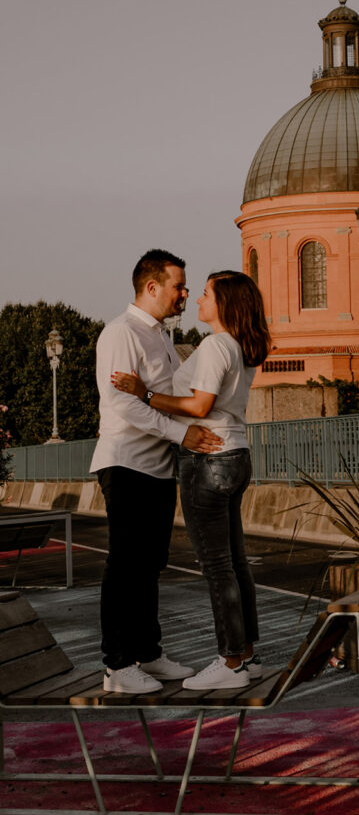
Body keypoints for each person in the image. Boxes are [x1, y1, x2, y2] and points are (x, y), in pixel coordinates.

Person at [112, 270, 271, 690]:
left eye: (204, 294)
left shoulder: (216, 344)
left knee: (218, 566)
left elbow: (199, 406)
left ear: (224, 304)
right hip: (235, 454)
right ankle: (247, 656)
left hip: (209, 460)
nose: (195, 299)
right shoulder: (237, 346)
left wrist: (143, 392)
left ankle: (230, 661)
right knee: (236, 563)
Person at [91, 249, 223, 695]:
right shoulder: (120, 333)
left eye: (187, 288)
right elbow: (122, 404)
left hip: (159, 467)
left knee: (150, 565)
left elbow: (165, 394)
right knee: (125, 563)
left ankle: (147, 653)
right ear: (152, 287)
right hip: (126, 461)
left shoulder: (162, 337)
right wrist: (181, 434)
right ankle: (117, 665)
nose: (184, 293)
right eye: (178, 286)